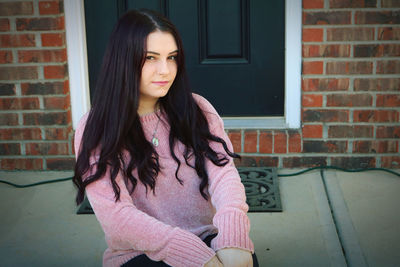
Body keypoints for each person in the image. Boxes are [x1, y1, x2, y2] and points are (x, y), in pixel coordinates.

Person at [73, 9, 258, 267]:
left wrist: (232, 238)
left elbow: (224, 175)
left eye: (172, 58)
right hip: (141, 253)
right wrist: (193, 256)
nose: (165, 70)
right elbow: (117, 217)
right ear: (124, 60)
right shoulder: (96, 128)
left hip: (208, 240)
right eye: (150, 58)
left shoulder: (198, 109)